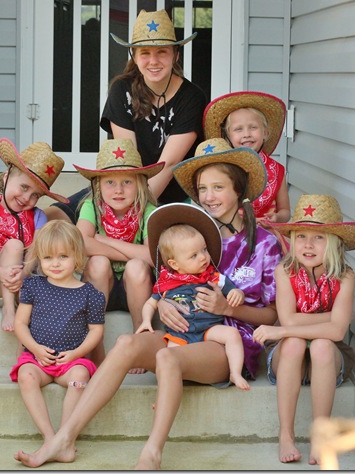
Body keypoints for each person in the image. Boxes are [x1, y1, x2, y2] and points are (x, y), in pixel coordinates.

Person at [13, 138, 283, 469]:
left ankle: (152, 453)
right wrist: (165, 303)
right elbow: (170, 280)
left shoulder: (264, 244)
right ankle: (63, 439)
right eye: (202, 189)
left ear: (238, 189)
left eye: (218, 187)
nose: (208, 196)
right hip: (181, 331)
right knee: (127, 343)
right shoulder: (190, 230)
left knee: (167, 357)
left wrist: (229, 309)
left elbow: (273, 315)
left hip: (227, 342)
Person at [45, 9, 206, 224]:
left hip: (168, 194)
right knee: (51, 217)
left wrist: (134, 215)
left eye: (162, 52)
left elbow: (169, 164)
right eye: (145, 53)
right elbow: (127, 161)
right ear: (134, 56)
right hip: (121, 189)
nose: (153, 61)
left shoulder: (192, 97)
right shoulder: (122, 90)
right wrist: (119, 208)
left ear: (176, 55)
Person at [252, 194, 355, 465]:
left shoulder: (345, 276)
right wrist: (328, 320)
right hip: (289, 358)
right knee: (294, 344)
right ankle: (286, 434)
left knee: (322, 345)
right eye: (301, 236)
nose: (308, 244)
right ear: (292, 240)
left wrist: (281, 331)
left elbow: (337, 333)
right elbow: (290, 320)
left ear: (334, 242)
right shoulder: (285, 271)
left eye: (318, 237)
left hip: (327, 359)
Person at [11, 219, 106, 444]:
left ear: (77, 256)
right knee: (26, 375)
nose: (55, 263)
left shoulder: (89, 294)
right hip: (38, 359)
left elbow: (96, 331)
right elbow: (20, 324)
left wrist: (76, 354)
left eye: (63, 256)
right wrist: (35, 349)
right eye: (48, 257)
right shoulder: (34, 287)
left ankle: (65, 435)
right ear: (40, 259)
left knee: (80, 378)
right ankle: (49, 436)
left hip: (71, 361)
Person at [140, 203, 249, 390]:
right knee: (168, 359)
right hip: (180, 334)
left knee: (232, 334)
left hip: (209, 329)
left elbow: (233, 289)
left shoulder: (212, 276)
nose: (203, 257)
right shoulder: (167, 282)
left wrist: (236, 294)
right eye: (194, 255)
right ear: (175, 264)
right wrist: (145, 320)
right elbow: (151, 303)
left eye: (204, 250)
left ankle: (235, 372)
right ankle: (165, 392)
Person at [73, 138, 160, 370]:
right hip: (102, 287)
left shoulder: (148, 211)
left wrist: (104, 240)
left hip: (138, 289)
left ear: (140, 183)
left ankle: (140, 340)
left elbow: (152, 256)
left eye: (127, 182)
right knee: (98, 263)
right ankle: (95, 343)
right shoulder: (92, 206)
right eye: (110, 182)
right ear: (98, 185)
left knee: (137, 267)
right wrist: (133, 253)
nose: (118, 190)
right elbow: (80, 243)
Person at [0, 139, 68, 332]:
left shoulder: (38, 216)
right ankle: (8, 308)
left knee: (37, 282)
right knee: (15, 246)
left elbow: (36, 251)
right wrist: (0, 272)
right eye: (24, 187)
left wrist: (23, 273)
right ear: (6, 177)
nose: (27, 198)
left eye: (36, 195)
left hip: (26, 279)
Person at [203, 91, 290, 224]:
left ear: (265, 133)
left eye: (253, 127)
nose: (246, 134)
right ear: (228, 136)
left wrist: (277, 218)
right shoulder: (222, 169)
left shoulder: (277, 170)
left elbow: (285, 211)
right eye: (238, 129)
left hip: (266, 233)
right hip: (232, 231)